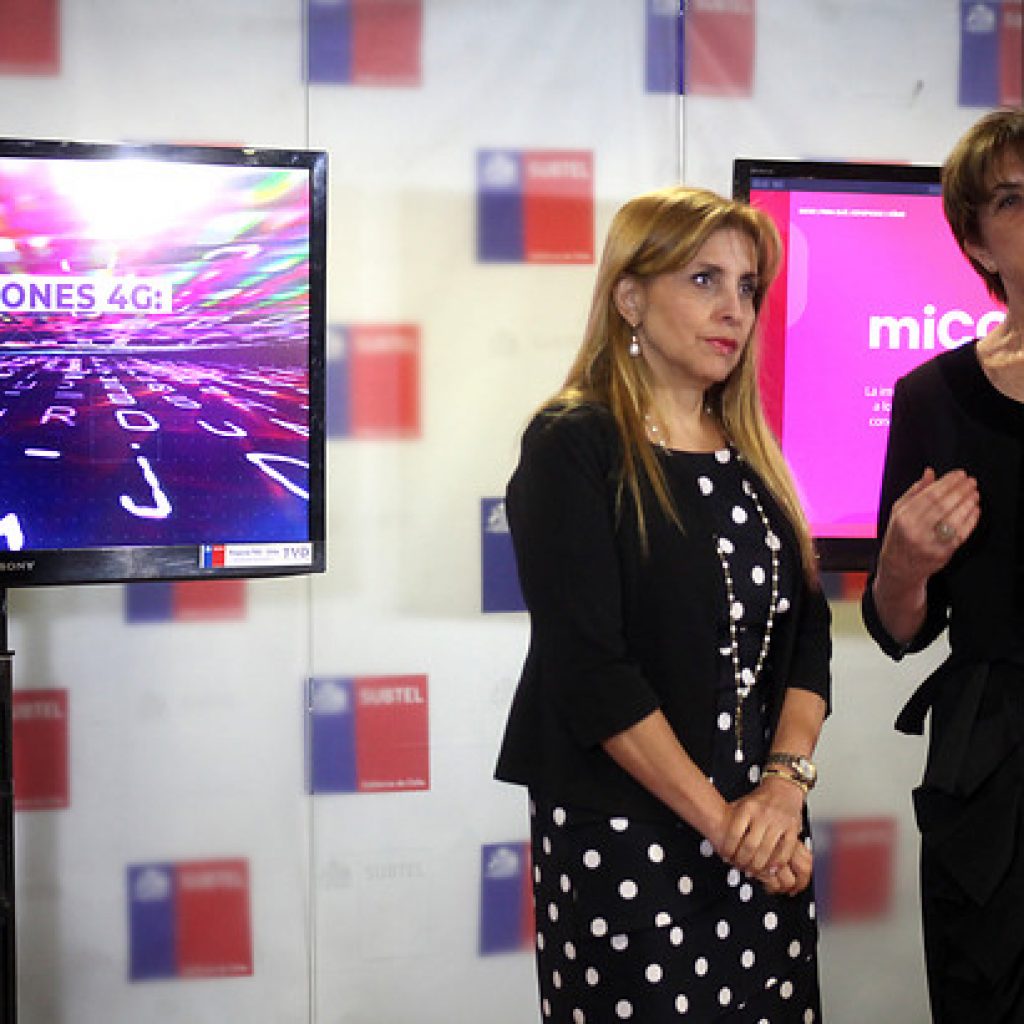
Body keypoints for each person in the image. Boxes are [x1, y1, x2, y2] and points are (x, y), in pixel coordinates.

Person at [495, 185, 831, 1023]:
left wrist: (781, 792)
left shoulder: (754, 457)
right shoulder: (575, 443)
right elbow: (592, 672)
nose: (734, 309)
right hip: (628, 837)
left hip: (762, 830)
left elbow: (809, 642)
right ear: (630, 298)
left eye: (747, 286)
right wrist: (728, 827)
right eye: (703, 279)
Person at [861, 106, 1024, 1023]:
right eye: (1013, 199)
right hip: (990, 761)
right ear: (977, 242)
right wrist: (903, 566)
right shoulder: (931, 396)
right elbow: (898, 628)